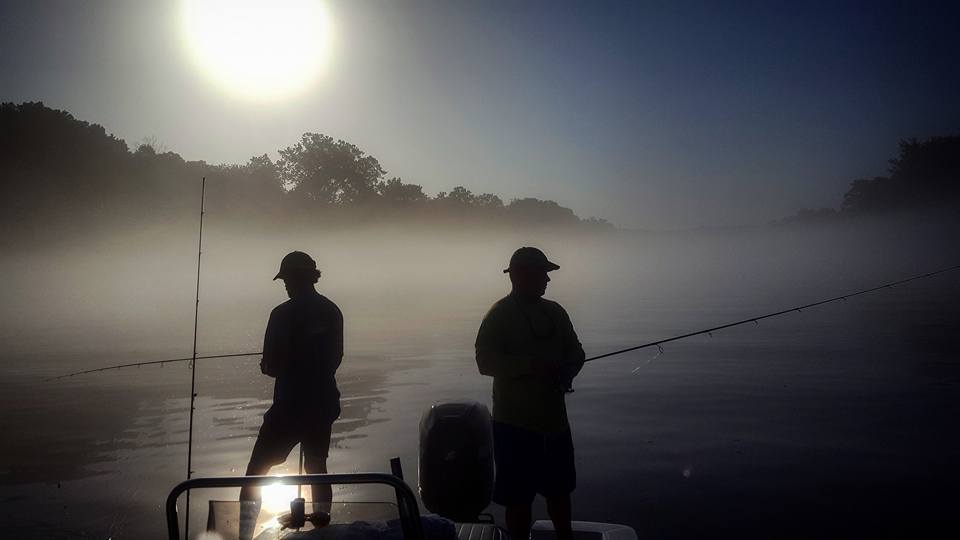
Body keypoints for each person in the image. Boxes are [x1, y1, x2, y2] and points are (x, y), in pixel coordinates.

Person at [475, 247, 586, 540]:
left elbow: (576, 352)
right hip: (514, 425)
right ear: (520, 276)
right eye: (543, 274)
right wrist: (531, 365)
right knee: (518, 499)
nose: (548, 281)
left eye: (548, 275)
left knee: (560, 492)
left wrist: (568, 371)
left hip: (555, 424)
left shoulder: (556, 311)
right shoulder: (498, 314)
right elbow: (484, 362)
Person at [239, 251, 344, 534]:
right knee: (317, 467)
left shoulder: (282, 314)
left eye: (286, 279)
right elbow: (335, 359)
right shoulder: (332, 310)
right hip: (323, 404)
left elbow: (272, 366)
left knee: (255, 473)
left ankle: (244, 533)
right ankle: (323, 528)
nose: (285, 285)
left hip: (288, 408)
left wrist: (267, 365)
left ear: (295, 279)